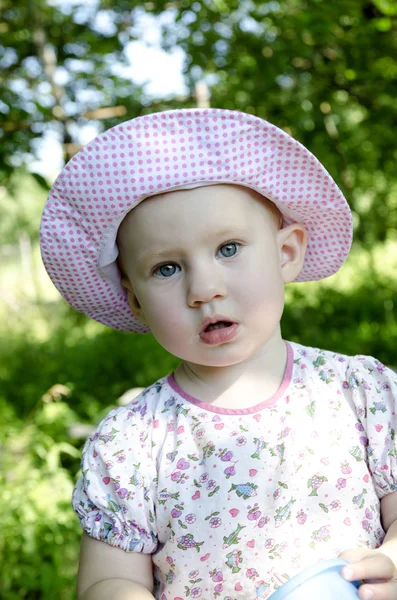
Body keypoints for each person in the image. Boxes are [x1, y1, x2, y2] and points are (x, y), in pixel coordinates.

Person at [40, 108, 397, 600]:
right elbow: (109, 578)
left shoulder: (360, 393)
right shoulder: (133, 442)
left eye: (229, 249)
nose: (204, 289)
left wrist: (392, 561)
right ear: (134, 300)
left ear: (286, 253)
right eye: (166, 268)